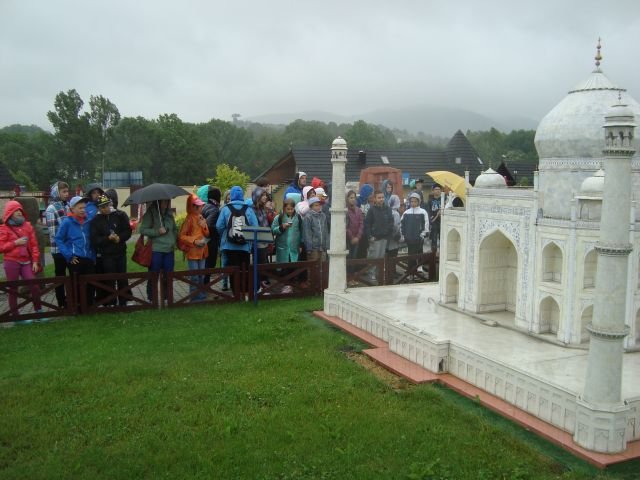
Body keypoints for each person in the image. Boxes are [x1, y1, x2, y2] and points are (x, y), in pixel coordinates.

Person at [0, 200, 43, 318]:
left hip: (27, 261)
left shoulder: (27, 226)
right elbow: (1, 247)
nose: (19, 212)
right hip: (11, 261)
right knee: (13, 289)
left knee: (34, 285)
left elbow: (34, 245)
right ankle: (16, 316)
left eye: (20, 210)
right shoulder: (4, 228)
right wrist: (15, 243)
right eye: (16, 210)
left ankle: (39, 311)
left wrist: (35, 261)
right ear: (10, 213)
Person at [90, 194, 131, 306]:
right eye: (102, 207)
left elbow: (128, 231)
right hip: (106, 254)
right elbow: (94, 239)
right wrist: (107, 239)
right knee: (110, 279)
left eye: (107, 205)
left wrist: (120, 238)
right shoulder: (95, 220)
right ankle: (111, 302)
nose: (106, 209)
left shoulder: (120, 215)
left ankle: (124, 301)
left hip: (120, 252)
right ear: (98, 208)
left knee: (122, 277)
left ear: (110, 204)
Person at [216, 186, 258, 294]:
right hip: (245, 246)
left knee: (233, 269)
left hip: (229, 246)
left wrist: (225, 234)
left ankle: (235, 292)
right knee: (244, 269)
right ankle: (245, 291)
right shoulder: (248, 209)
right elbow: (255, 226)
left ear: (232, 195)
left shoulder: (225, 209)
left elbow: (219, 226)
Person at [56, 196, 96, 306]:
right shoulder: (67, 222)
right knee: (75, 284)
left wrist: (93, 256)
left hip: (88, 257)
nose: (83, 210)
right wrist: (68, 255)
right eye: (80, 208)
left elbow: (91, 239)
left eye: (84, 207)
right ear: (72, 209)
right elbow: (59, 239)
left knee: (90, 283)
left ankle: (89, 306)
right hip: (75, 258)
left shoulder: (88, 221)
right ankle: (76, 306)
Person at [140, 199, 177, 301]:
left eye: (167, 201)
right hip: (156, 250)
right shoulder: (151, 213)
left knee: (168, 275)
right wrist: (157, 231)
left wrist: (174, 240)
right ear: (158, 201)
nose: (166, 203)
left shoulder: (169, 213)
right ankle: (152, 298)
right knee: (153, 275)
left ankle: (167, 297)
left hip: (169, 250)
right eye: (163, 201)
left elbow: (174, 229)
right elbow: (142, 229)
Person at [178, 194, 210, 302]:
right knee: (194, 276)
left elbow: (207, 234)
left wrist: (204, 226)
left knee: (201, 275)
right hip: (192, 253)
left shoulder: (201, 217)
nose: (201, 207)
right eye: (199, 206)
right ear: (193, 207)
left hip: (203, 251)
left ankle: (201, 296)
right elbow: (182, 236)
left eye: (201, 206)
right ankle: (194, 297)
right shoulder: (189, 219)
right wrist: (194, 241)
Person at [45, 180, 70, 308]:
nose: (66, 194)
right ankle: (61, 302)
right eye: (64, 191)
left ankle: (72, 299)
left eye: (67, 191)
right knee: (60, 276)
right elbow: (54, 232)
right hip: (58, 249)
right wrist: (70, 236)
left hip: (70, 248)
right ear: (56, 192)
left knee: (73, 274)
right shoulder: (51, 209)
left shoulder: (67, 206)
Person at [271, 197, 302, 294]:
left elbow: (301, 232)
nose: (290, 211)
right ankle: (284, 286)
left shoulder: (298, 218)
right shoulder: (278, 218)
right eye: (288, 209)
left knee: (293, 267)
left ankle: (291, 286)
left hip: (294, 248)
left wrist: (300, 245)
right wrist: (282, 227)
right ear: (284, 208)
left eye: (292, 209)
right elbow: (273, 230)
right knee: (283, 267)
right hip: (282, 248)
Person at [364, 190, 393, 282]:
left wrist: (388, 233)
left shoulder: (388, 209)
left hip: (384, 237)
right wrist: (370, 236)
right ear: (375, 199)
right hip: (375, 238)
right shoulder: (371, 210)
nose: (381, 199)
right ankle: (371, 274)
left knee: (381, 257)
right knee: (373, 257)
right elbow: (367, 224)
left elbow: (391, 222)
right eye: (379, 198)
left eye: (382, 197)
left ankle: (378, 274)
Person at [197, 185, 222, 284]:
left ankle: (202, 286)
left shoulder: (205, 207)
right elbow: (210, 226)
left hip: (202, 241)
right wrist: (218, 231)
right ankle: (205, 287)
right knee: (209, 265)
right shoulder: (215, 209)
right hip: (210, 242)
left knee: (204, 265)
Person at [401, 193, 429, 276]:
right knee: (410, 254)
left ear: (419, 202)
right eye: (411, 201)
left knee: (419, 253)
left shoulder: (423, 212)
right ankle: (411, 270)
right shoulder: (406, 213)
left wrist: (423, 234)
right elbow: (402, 224)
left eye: (415, 201)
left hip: (419, 237)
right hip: (409, 238)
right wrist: (403, 235)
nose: (413, 203)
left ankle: (419, 269)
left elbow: (426, 224)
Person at [346, 190, 364, 287]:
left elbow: (361, 224)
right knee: (348, 258)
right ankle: (348, 279)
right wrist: (352, 237)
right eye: (351, 198)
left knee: (354, 258)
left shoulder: (358, 210)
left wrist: (358, 237)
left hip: (357, 238)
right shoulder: (345, 210)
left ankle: (352, 278)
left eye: (354, 197)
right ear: (347, 199)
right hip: (348, 239)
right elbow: (346, 226)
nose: (353, 199)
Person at [303, 197, 329, 262]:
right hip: (313, 248)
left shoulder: (323, 216)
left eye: (319, 205)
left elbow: (325, 231)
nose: (318, 207)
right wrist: (309, 248)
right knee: (313, 266)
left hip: (322, 247)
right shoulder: (308, 217)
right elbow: (307, 233)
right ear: (311, 207)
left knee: (323, 265)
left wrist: (326, 246)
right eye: (316, 205)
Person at [426, 184, 442, 253]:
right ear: (433, 191)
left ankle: (442, 253)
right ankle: (433, 253)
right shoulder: (430, 200)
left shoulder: (444, 199)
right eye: (436, 189)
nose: (437, 191)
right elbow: (428, 211)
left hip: (442, 221)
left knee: (442, 238)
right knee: (434, 238)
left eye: (439, 189)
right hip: (434, 221)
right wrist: (431, 220)